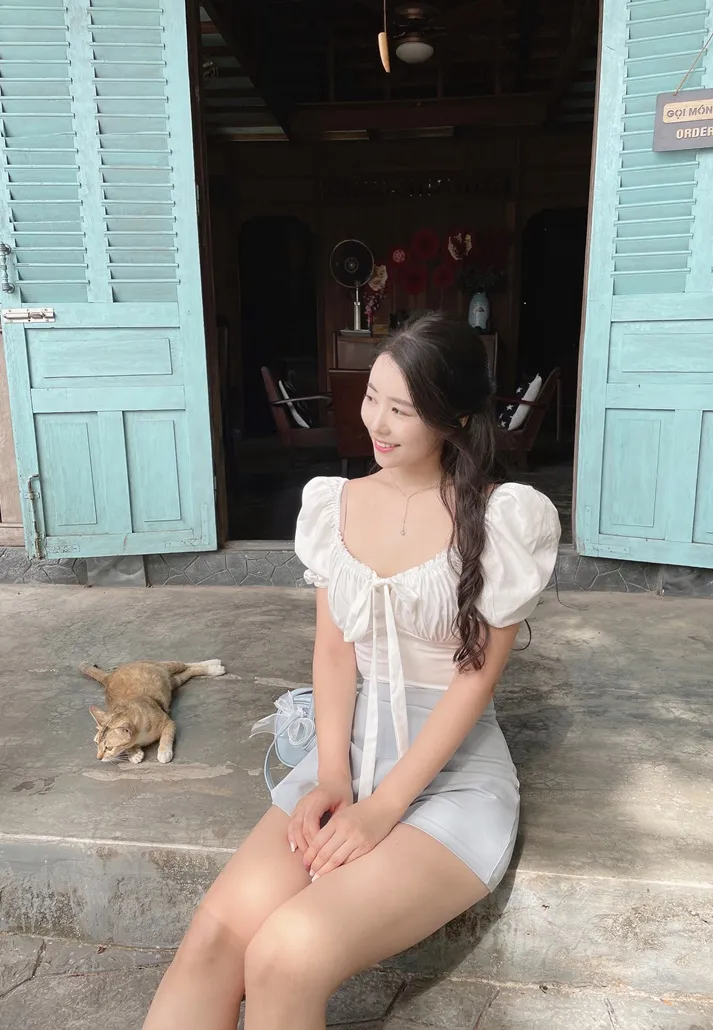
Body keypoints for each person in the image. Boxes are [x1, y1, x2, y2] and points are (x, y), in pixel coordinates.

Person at [143, 312, 561, 1030]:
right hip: (350, 755)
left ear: (456, 416)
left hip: (453, 777)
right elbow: (335, 652)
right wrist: (335, 778)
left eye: (404, 409)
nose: (378, 422)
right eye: (372, 397)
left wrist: (381, 809)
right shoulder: (333, 504)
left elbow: (474, 681)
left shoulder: (504, 518)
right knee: (215, 939)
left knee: (285, 953)